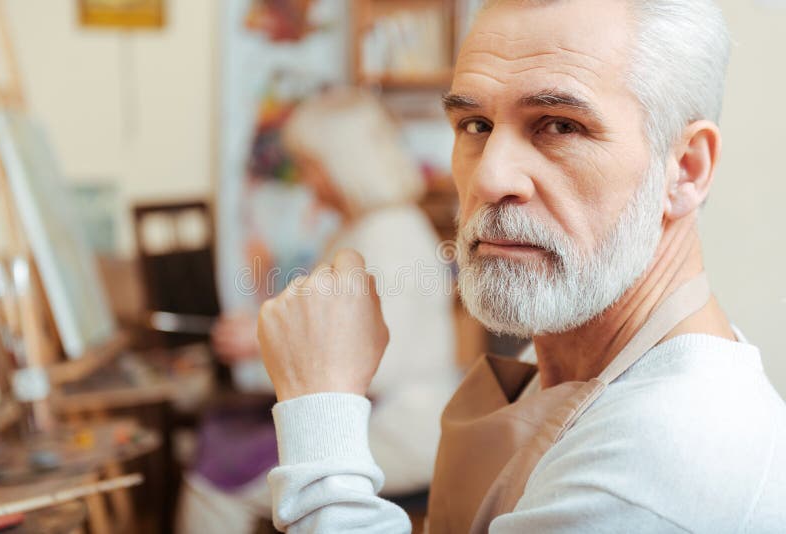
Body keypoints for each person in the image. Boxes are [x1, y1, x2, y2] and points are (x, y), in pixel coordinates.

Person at [256, 0, 786, 532]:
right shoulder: (578, 348)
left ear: (686, 170)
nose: (489, 179)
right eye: (476, 124)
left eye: (559, 125)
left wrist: (320, 405)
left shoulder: (667, 451)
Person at [177, 89, 460, 533]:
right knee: (222, 434)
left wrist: (262, 341)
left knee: (216, 484)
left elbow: (376, 365)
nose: (304, 179)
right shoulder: (364, 229)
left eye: (309, 165)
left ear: (340, 165)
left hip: (402, 427)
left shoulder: (390, 234)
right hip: (381, 414)